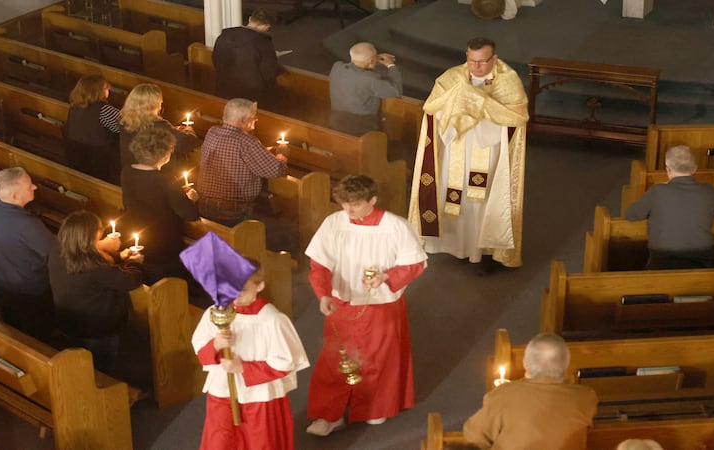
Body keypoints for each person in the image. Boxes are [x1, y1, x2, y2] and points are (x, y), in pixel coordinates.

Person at [304, 174, 427, 436]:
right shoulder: (334, 223)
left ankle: (374, 407)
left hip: (380, 304)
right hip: (342, 301)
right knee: (335, 358)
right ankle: (330, 414)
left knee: (379, 356)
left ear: (373, 199)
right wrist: (323, 295)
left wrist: (387, 277)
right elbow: (319, 265)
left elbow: (414, 263)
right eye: (345, 204)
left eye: (356, 204)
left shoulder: (395, 226)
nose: (349, 210)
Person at [408, 37, 529, 267]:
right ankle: (446, 244)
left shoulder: (507, 81)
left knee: (479, 200)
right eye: (472, 61)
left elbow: (517, 117)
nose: (476, 67)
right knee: (451, 193)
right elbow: (432, 108)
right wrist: (455, 112)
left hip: (487, 146)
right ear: (466, 56)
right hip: (455, 145)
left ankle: (479, 249)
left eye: (482, 61)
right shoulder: (451, 78)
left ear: (494, 58)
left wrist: (479, 103)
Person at [185, 235, 309, 450]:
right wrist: (215, 344)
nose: (234, 297)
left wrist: (243, 367)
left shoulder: (271, 320)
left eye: (241, 290)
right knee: (221, 438)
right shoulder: (216, 313)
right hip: (223, 389)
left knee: (259, 441)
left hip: (259, 395)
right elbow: (199, 343)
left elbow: (285, 362)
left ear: (259, 286)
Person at [463, 333, 598, 449]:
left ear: (525, 363)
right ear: (566, 365)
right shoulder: (586, 396)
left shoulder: (503, 394)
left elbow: (474, 437)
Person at [48, 210, 143, 373]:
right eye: (99, 231)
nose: (101, 233)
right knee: (101, 366)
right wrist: (135, 263)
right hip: (98, 326)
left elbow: (100, 273)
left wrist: (119, 257)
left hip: (70, 320)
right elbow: (129, 281)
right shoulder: (92, 264)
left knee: (82, 359)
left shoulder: (58, 252)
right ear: (88, 237)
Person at [0, 167, 57, 342]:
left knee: (13, 328)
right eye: (29, 186)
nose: (35, 187)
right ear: (14, 196)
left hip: (0, 285)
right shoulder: (27, 225)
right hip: (29, 294)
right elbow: (55, 251)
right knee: (37, 336)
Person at [624, 145, 714, 270]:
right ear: (694, 169)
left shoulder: (658, 191)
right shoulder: (708, 191)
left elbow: (630, 214)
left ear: (668, 170)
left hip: (661, 264)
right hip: (700, 265)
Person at [121, 127, 200, 285]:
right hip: (163, 244)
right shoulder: (165, 182)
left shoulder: (126, 172)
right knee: (168, 284)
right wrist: (192, 198)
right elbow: (190, 214)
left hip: (137, 235)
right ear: (164, 155)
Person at [197, 98, 287, 226]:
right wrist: (281, 156)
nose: (256, 119)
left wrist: (265, 151)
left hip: (204, 206)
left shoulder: (212, 132)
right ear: (243, 120)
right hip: (233, 212)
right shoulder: (247, 142)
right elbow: (275, 170)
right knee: (275, 229)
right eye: (253, 116)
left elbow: (236, 155)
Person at [118, 83, 200, 179]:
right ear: (154, 105)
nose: (160, 106)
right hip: (159, 176)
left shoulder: (125, 121)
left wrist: (173, 130)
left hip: (132, 172)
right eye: (160, 103)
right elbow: (186, 143)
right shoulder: (157, 124)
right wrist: (189, 131)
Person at [328, 42, 402, 136]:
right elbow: (396, 90)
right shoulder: (370, 80)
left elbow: (357, 66)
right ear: (370, 61)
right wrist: (390, 65)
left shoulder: (336, 67)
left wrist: (374, 58)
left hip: (335, 124)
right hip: (362, 131)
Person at [212, 8, 280, 104]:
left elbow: (216, 61)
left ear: (250, 19)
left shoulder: (225, 35)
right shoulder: (263, 44)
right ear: (267, 26)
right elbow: (269, 74)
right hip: (250, 97)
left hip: (223, 89)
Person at [64, 74, 121, 183]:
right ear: (97, 91)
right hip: (100, 159)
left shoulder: (74, 106)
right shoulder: (104, 110)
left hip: (75, 154)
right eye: (106, 88)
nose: (109, 90)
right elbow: (125, 127)